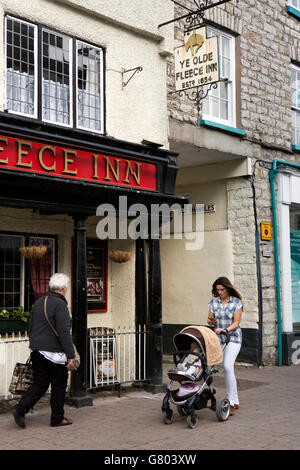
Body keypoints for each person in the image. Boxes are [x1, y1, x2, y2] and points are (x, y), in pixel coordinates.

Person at [12, 273, 76, 428]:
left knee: (40, 383)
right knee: (59, 385)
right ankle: (57, 418)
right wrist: (71, 355)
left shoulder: (39, 302)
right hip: (54, 352)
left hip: (37, 350)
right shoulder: (60, 305)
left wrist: (34, 344)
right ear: (63, 288)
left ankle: (21, 409)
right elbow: (64, 332)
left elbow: (31, 327)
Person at [207, 276, 243, 416]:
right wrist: (212, 321)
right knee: (209, 366)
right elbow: (210, 320)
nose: (220, 292)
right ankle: (234, 400)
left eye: (222, 289)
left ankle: (232, 401)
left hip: (233, 338)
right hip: (218, 339)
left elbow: (236, 322)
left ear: (228, 289)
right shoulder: (213, 302)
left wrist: (226, 330)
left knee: (228, 366)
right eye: (217, 290)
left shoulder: (236, 303)